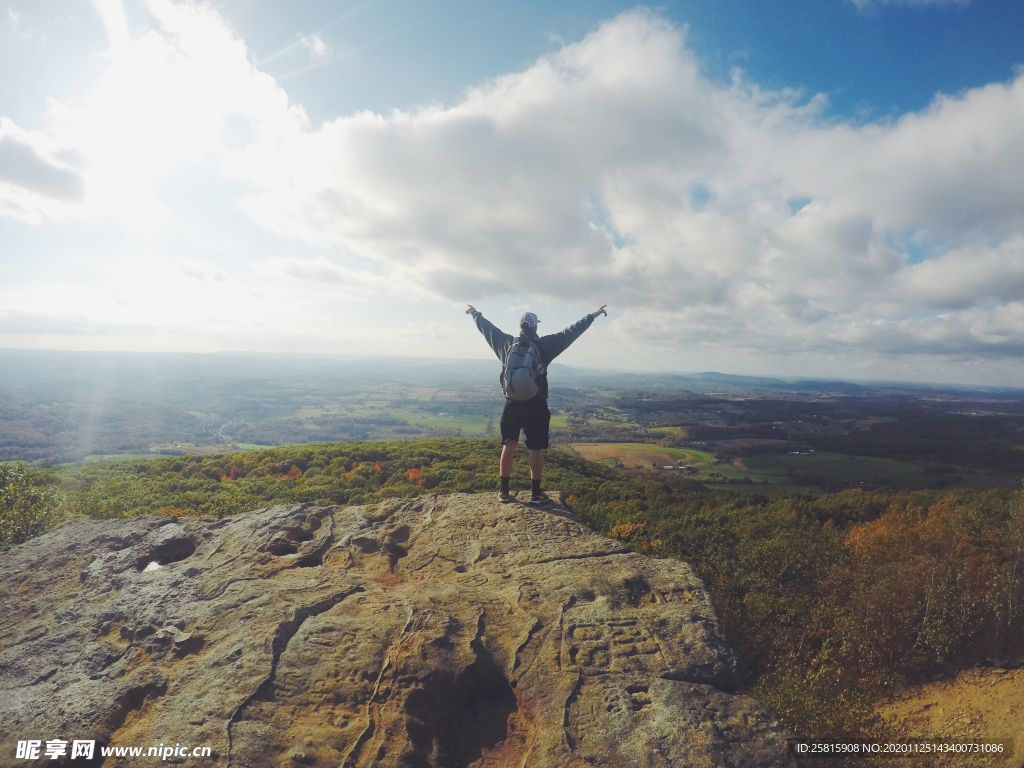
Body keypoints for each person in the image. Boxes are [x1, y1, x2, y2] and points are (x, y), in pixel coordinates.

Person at [466, 304, 608, 503]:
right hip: (536, 404)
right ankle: (535, 493)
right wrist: (592, 316)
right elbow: (570, 332)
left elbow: (486, 328)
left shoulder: (506, 343)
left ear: (521, 326)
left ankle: (504, 491)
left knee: (509, 445)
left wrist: (474, 313)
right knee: (535, 449)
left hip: (512, 403)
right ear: (535, 328)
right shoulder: (543, 346)